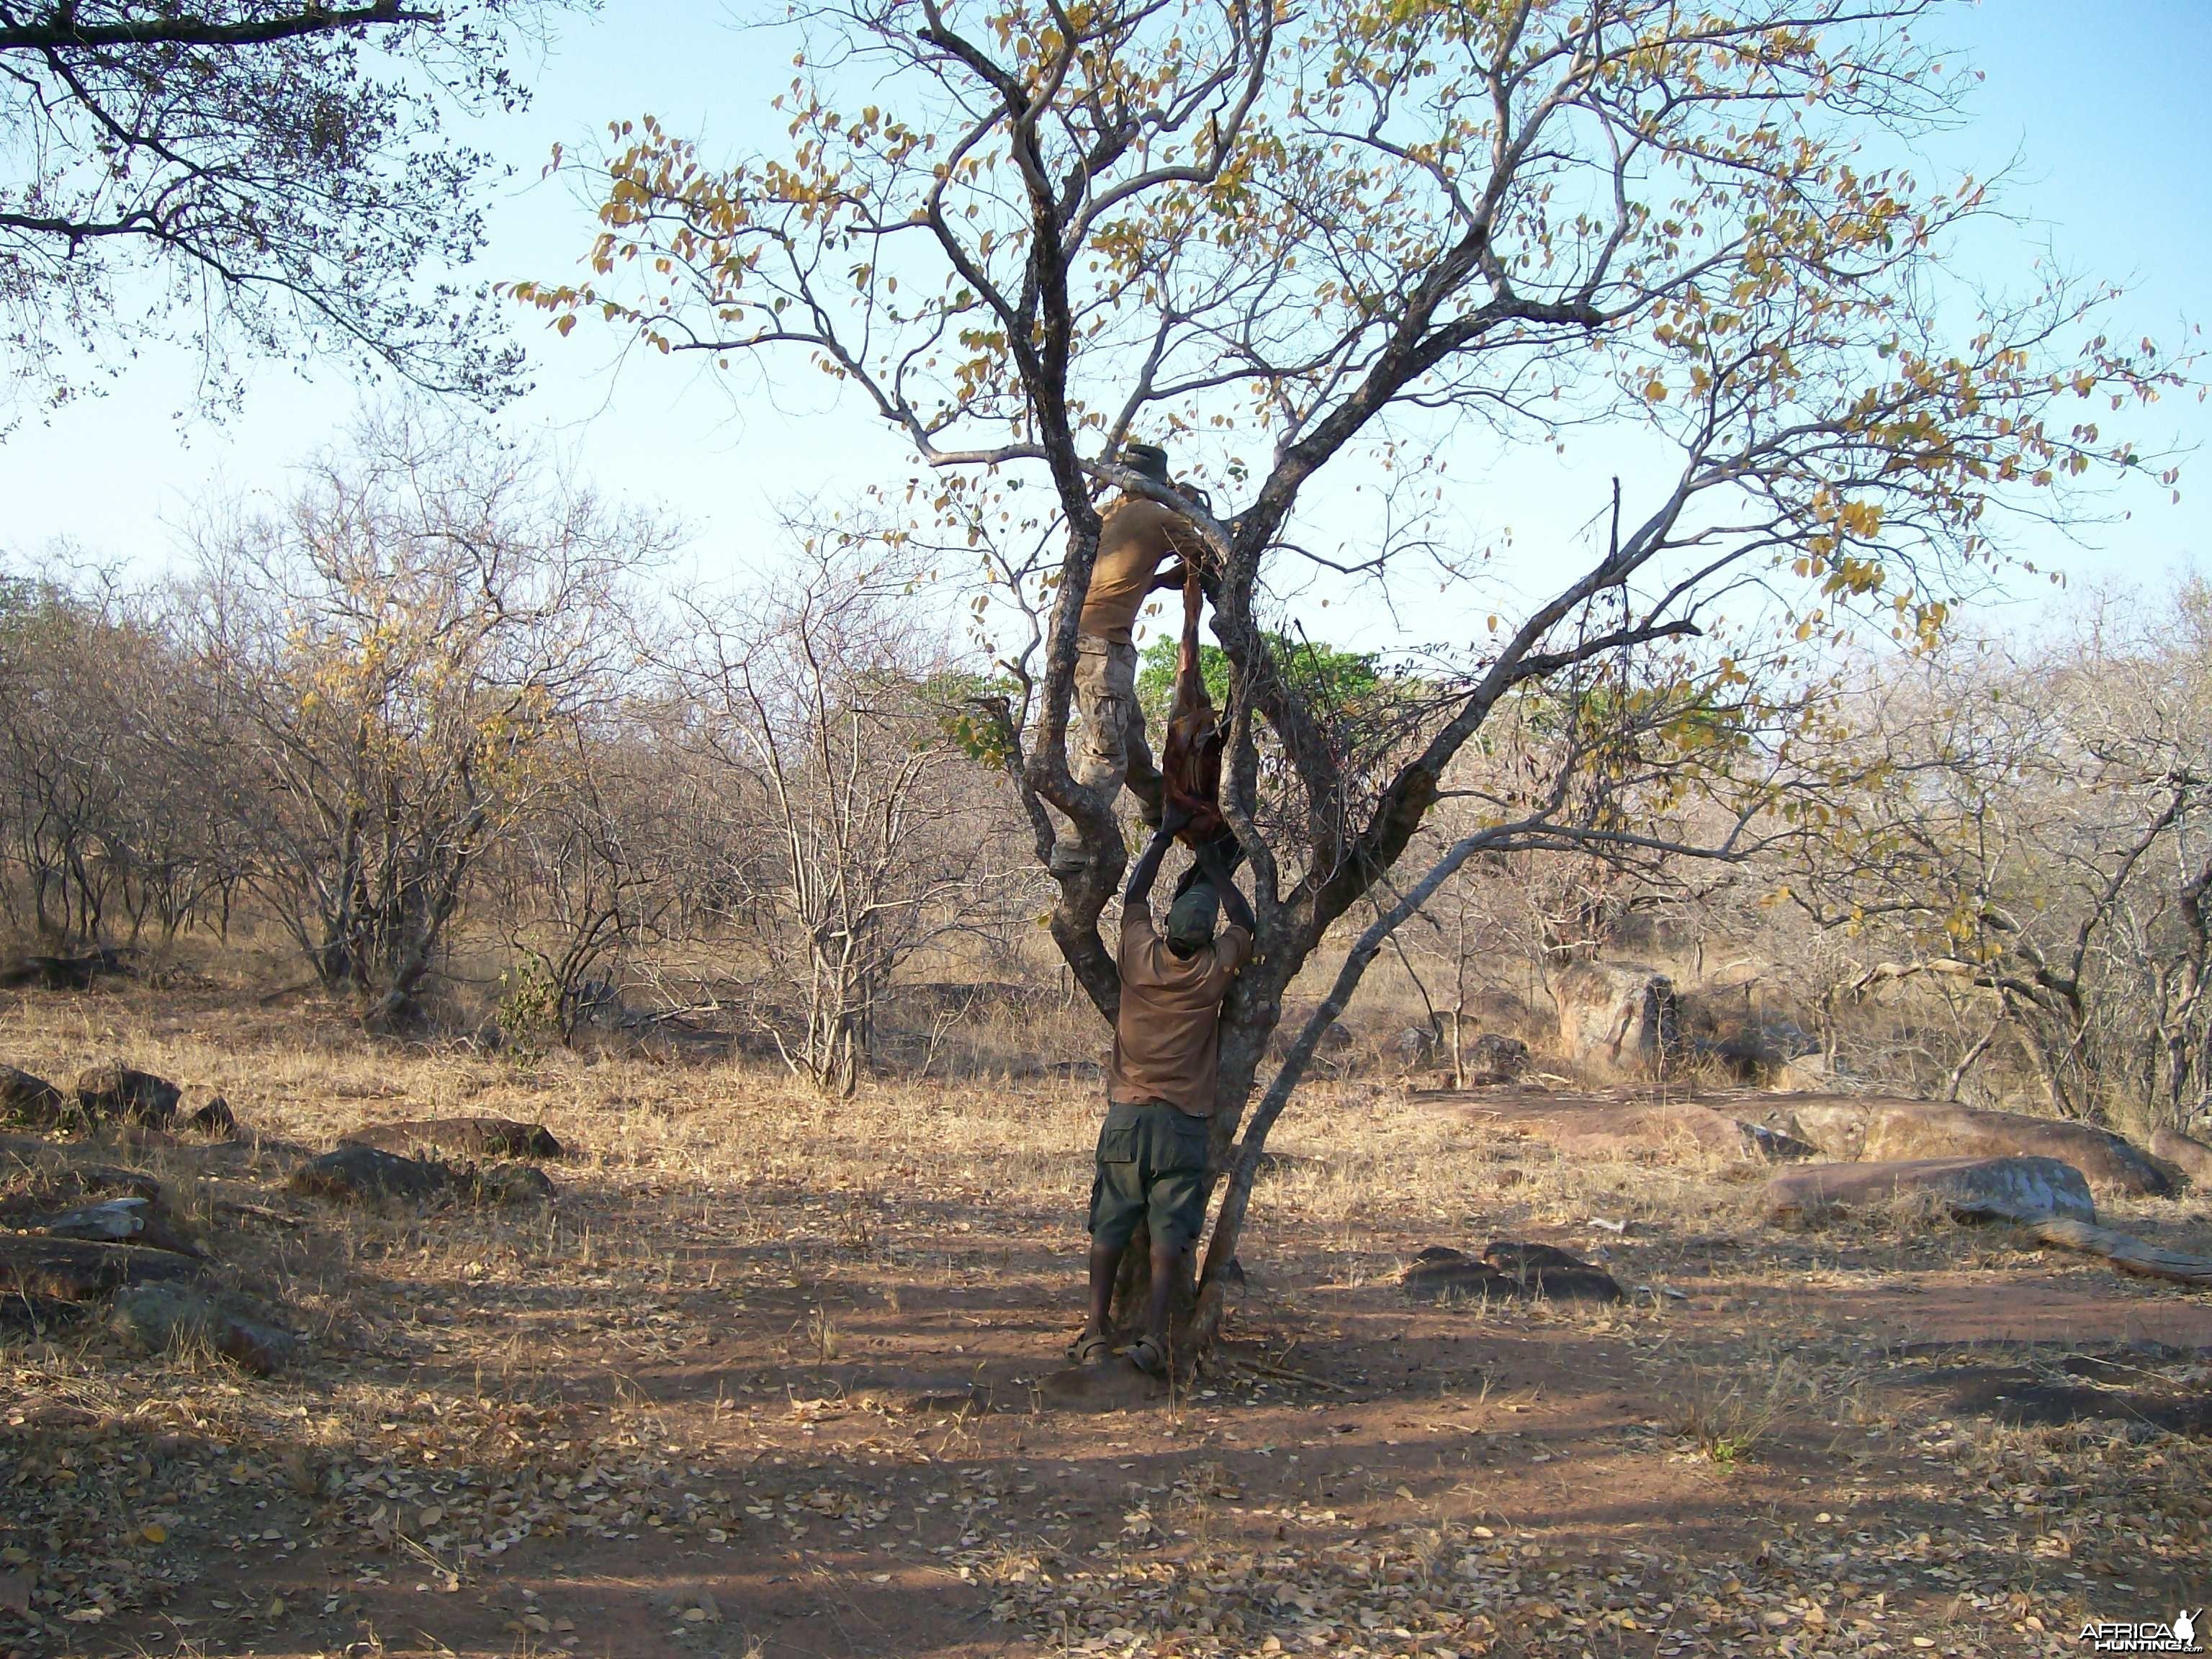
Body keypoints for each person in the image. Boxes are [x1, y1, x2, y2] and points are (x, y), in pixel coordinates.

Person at [1070, 814, 1256, 1375]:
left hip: (1128, 1115)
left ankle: (1094, 1331)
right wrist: (1220, 868)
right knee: (1168, 1234)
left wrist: (1159, 837)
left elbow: (1135, 896)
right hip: (1184, 1123)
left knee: (1111, 1224)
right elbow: (1245, 921)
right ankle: (1154, 1335)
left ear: (1169, 928)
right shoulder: (1212, 975)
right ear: (1207, 937)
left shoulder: (1138, 957)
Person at [1050, 441, 1211, 873]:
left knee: (1131, 735)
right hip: (1104, 647)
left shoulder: (1104, 514)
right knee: (1106, 752)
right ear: (1159, 485)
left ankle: (1160, 807)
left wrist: (1155, 582)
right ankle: (1073, 848)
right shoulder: (1160, 516)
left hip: (1068, 640)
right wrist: (1191, 517)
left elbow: (1123, 573)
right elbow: (1211, 557)